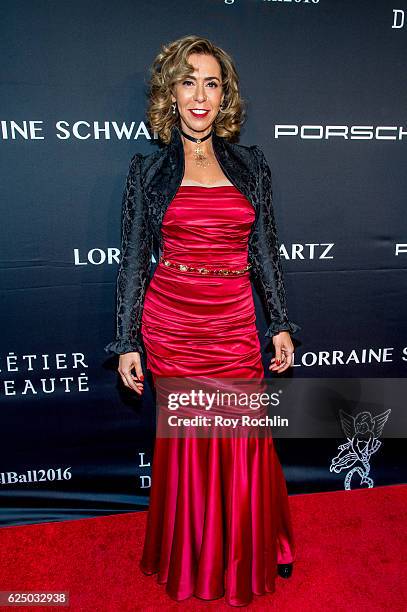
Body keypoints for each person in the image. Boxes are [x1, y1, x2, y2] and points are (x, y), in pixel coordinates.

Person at [105, 35, 301, 607]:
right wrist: (126, 340)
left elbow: (265, 249)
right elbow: (135, 258)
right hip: (173, 324)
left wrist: (280, 323)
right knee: (191, 444)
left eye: (212, 83)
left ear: (225, 96)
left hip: (235, 323)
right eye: (188, 81)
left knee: (244, 442)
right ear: (170, 93)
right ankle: (193, 555)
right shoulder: (147, 171)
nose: (200, 95)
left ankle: (261, 545)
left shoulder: (251, 164)